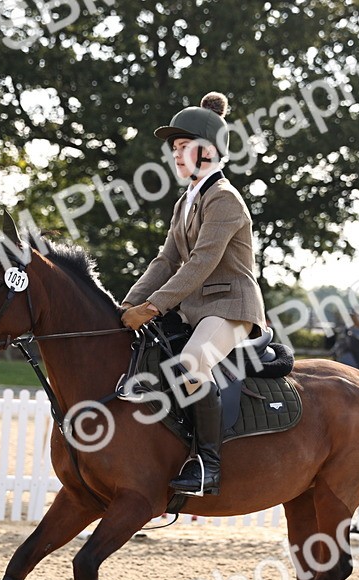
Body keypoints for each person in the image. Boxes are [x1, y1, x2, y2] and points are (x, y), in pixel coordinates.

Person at [119, 91, 267, 497]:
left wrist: (153, 306)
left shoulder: (225, 199)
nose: (176, 155)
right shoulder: (185, 202)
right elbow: (165, 261)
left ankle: (208, 466)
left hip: (231, 306)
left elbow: (200, 263)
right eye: (174, 149)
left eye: (184, 146)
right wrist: (128, 303)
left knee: (192, 361)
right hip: (194, 309)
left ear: (209, 151)